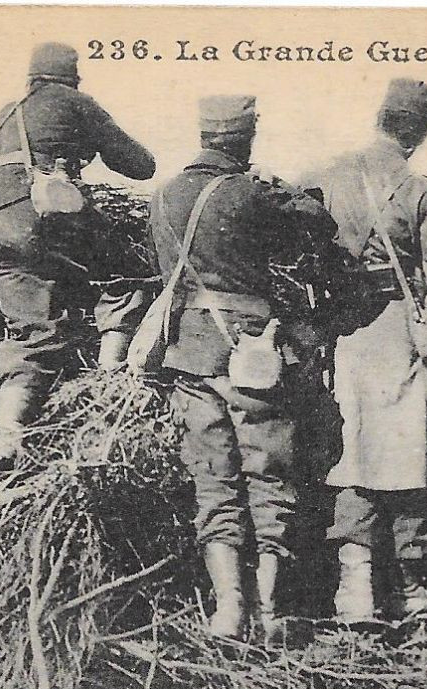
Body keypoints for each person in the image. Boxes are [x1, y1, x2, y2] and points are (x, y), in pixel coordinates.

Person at [148, 95, 338, 643]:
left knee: (214, 483)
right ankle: (271, 610)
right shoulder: (252, 195)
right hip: (251, 357)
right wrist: (286, 191)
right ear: (245, 137)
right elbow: (314, 229)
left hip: (188, 356)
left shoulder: (164, 196)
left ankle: (228, 609)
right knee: (269, 477)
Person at [299, 79, 427, 623]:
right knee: (410, 454)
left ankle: (353, 590)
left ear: (379, 117)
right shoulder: (424, 193)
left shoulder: (327, 176)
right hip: (399, 329)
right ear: (418, 130)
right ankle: (413, 585)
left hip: (344, 331)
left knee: (354, 454)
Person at [0, 42, 156, 470]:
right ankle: (111, 376)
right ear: (71, 77)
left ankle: (9, 431)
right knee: (127, 270)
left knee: (31, 329)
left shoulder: (5, 113)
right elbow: (140, 165)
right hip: (42, 212)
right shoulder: (74, 102)